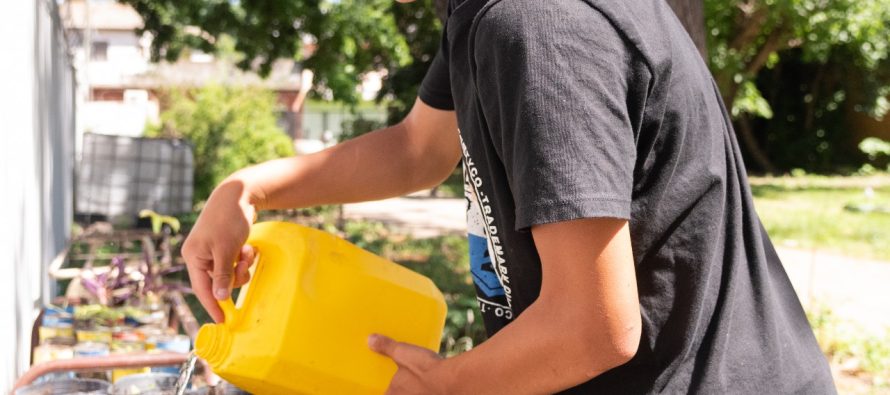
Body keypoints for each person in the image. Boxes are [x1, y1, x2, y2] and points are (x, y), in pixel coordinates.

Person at [182, 0, 837, 393]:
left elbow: (595, 325)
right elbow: (419, 148)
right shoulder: (480, 13)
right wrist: (251, 187)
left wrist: (446, 385)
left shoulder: (535, 25)